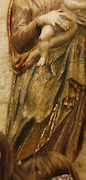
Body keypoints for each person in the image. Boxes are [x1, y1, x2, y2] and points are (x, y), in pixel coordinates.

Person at [7, 0, 86, 162]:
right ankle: (22, 171)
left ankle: (57, 172)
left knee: (67, 119)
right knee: (33, 115)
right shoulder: (24, 2)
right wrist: (39, 21)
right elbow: (18, 43)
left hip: (72, 66)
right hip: (38, 69)